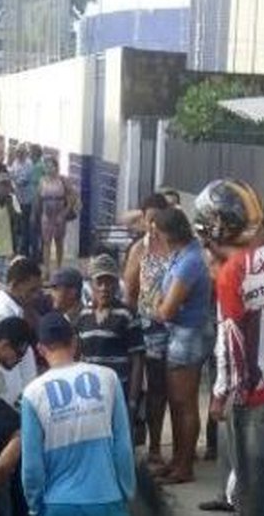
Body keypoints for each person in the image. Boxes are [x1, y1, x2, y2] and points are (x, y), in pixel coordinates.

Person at [197, 179, 264, 515]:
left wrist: (220, 394)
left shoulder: (231, 273)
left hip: (253, 393)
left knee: (251, 482)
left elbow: (230, 342)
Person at [21, 312, 137, 515]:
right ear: (74, 342)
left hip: (58, 503)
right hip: (107, 498)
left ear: (40, 349)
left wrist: (35, 505)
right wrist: (126, 491)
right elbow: (123, 446)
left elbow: (32, 466)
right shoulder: (108, 378)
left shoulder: (32, 394)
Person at [152, 207, 212, 484]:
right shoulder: (183, 255)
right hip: (182, 333)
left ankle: (184, 465)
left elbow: (166, 309)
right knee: (177, 403)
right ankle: (178, 459)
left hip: (188, 335)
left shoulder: (189, 261)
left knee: (184, 403)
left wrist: (158, 305)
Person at [122, 193, 172, 467]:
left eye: (157, 220)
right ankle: (154, 445)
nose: (152, 226)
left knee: (173, 391)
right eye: (148, 220)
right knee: (153, 388)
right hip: (149, 327)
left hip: (176, 327)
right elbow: (130, 292)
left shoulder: (177, 247)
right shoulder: (138, 250)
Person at [75, 254, 145, 411]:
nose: (104, 288)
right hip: (89, 397)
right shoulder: (83, 316)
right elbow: (78, 356)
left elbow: (137, 360)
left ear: (116, 285)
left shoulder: (127, 315)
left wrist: (133, 400)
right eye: (99, 282)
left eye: (109, 282)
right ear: (91, 285)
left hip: (118, 394)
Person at [0, 258, 44, 404]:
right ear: (15, 285)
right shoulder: (3, 313)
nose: (35, 296)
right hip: (11, 400)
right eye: (32, 290)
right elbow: (7, 363)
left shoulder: (16, 310)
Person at [36, 156, 73, 275]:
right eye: (47, 166)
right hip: (46, 215)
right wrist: (36, 213)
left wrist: (65, 212)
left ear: (56, 167)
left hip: (59, 215)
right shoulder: (42, 181)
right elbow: (38, 198)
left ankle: (58, 267)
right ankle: (46, 269)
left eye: (51, 166)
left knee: (59, 241)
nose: (49, 168)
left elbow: (71, 197)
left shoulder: (62, 180)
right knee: (46, 242)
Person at [10, 144, 36, 258]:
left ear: (25, 153)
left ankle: (27, 251)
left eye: (20, 152)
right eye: (17, 152)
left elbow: (23, 181)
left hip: (27, 200)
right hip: (17, 199)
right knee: (18, 225)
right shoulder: (15, 163)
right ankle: (19, 249)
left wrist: (14, 180)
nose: (18, 154)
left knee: (26, 226)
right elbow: (11, 175)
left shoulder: (29, 164)